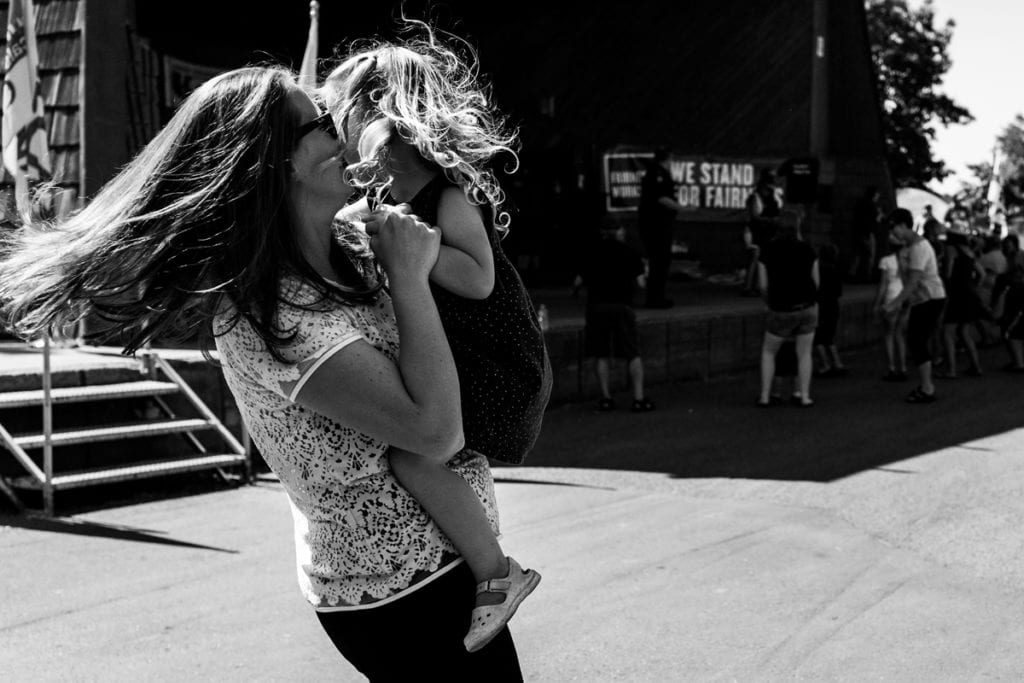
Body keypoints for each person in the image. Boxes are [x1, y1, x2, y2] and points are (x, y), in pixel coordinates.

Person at [0, 66, 527, 679]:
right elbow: (435, 434)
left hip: (446, 571)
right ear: (278, 164)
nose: (343, 134)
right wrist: (409, 279)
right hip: (402, 594)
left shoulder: (349, 246)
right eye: (323, 124)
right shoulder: (273, 315)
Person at [321, 24, 550, 657]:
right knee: (416, 447)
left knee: (413, 454)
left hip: (499, 366)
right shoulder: (395, 197)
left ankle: (497, 576)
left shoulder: (448, 195)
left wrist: (405, 248)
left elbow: (477, 280)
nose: (340, 137)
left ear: (386, 119)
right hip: (470, 357)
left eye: (346, 119)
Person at [574, 219, 653, 413]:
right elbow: (642, 283)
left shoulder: (591, 252)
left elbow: (578, 281)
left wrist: (576, 292)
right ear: (619, 232)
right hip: (622, 306)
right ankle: (639, 398)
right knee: (632, 352)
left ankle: (606, 398)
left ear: (602, 232)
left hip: (597, 306)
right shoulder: (631, 252)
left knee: (600, 353)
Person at [756, 210, 819, 407]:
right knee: (804, 353)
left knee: (769, 351)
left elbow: (763, 285)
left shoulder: (767, 250)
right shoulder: (808, 249)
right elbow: (816, 281)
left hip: (780, 307)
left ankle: (765, 396)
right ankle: (805, 395)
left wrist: (769, 302)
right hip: (806, 307)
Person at [884, 207, 947, 403]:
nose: (892, 233)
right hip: (923, 299)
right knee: (916, 340)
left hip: (930, 298)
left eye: (894, 228)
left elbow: (913, 281)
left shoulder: (919, 248)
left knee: (917, 341)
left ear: (903, 225)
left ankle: (927, 387)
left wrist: (895, 303)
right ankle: (926, 385)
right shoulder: (909, 247)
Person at [638, 147, 685, 308]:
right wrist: (682, 208)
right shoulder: (656, 174)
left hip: (659, 224)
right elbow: (661, 198)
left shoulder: (658, 173)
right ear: (668, 158)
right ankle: (654, 299)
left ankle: (658, 296)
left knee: (661, 262)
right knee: (659, 261)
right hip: (656, 225)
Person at [936, 230, 986, 378]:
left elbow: (948, 273)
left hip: (956, 294)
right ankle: (976, 366)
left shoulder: (951, 249)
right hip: (969, 293)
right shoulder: (969, 252)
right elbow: (982, 274)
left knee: (947, 331)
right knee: (964, 331)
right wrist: (974, 287)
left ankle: (951, 370)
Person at [873, 230, 909, 381]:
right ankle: (903, 367)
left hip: (891, 297)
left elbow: (883, 284)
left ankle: (891, 367)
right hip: (904, 297)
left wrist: (877, 303)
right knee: (900, 334)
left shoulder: (886, 261)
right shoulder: (908, 261)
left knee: (889, 333)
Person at [742, 168, 783, 296]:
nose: (769, 189)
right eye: (767, 186)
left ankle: (759, 286)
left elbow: (779, 210)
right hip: (754, 232)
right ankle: (747, 288)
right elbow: (754, 216)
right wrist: (770, 220)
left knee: (765, 259)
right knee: (754, 256)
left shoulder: (773, 197)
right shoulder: (755, 197)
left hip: (767, 233)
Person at [812, 243, 848, 377]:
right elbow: (839, 292)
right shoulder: (836, 270)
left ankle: (825, 364)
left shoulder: (818, 270)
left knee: (818, 337)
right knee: (829, 336)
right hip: (833, 305)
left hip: (820, 305)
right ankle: (837, 363)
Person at [848, 186, 882, 283]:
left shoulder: (859, 204)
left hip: (858, 232)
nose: (878, 196)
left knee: (857, 254)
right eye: (877, 194)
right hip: (869, 233)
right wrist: (879, 214)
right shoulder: (872, 205)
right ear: (874, 195)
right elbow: (876, 220)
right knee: (870, 255)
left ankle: (851, 274)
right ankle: (867, 276)